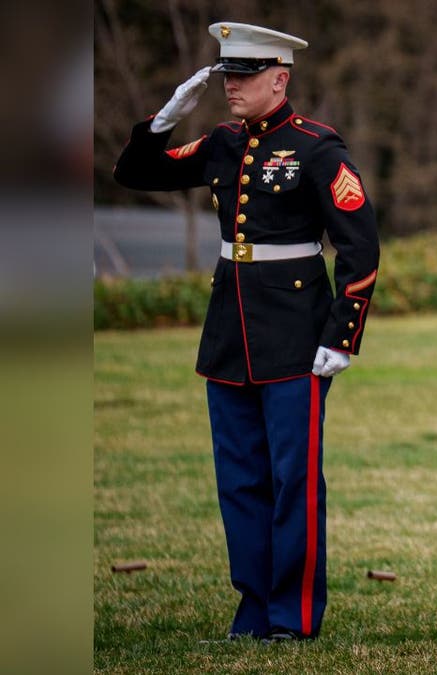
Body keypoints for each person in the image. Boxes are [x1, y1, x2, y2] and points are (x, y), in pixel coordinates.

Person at [112, 22, 380, 642]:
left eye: (245, 75)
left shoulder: (317, 148)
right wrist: (162, 121)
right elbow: (134, 174)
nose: (231, 86)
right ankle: (253, 610)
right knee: (239, 481)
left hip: (295, 334)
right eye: (227, 74)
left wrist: (343, 334)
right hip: (229, 331)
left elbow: (360, 247)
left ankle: (292, 616)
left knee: (293, 482)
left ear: (280, 78)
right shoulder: (224, 142)